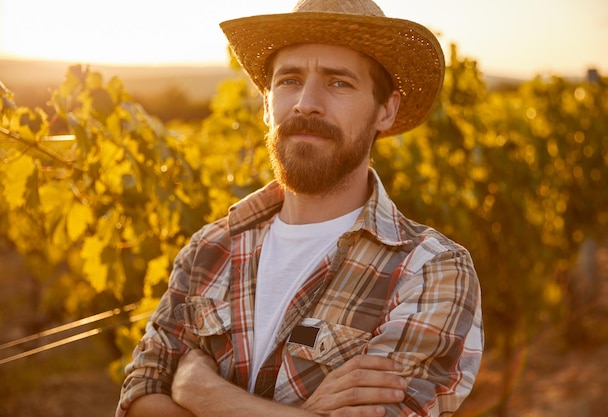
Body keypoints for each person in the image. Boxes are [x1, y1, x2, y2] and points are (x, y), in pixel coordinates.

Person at [116, 0, 484, 416]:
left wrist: (201, 391)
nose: (306, 103)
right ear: (266, 104)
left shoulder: (429, 270)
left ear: (386, 110)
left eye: (339, 83)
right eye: (289, 80)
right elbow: (140, 400)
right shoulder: (209, 250)